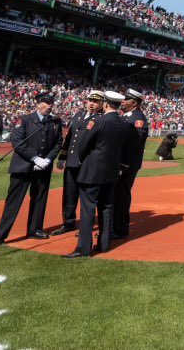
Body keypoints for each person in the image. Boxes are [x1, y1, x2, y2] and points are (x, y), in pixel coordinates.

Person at [0, 92, 63, 248]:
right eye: (47, 102)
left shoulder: (56, 122)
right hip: (23, 167)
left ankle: (35, 229)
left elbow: (58, 143)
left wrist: (48, 160)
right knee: (13, 202)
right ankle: (0, 235)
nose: (50, 105)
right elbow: (17, 141)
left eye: (52, 103)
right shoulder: (25, 120)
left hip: (43, 168)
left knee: (39, 199)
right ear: (38, 104)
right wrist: (35, 158)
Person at [66, 91, 128, 258]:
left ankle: (84, 248)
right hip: (112, 172)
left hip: (92, 171)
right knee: (107, 207)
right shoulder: (123, 123)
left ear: (106, 104)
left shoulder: (97, 121)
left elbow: (83, 145)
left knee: (88, 209)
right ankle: (104, 244)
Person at [51, 91, 105, 236]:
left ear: (102, 104)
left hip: (87, 163)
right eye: (90, 100)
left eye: (96, 101)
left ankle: (85, 226)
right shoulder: (78, 115)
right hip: (72, 161)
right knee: (69, 194)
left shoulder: (101, 118)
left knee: (86, 197)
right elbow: (69, 138)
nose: (92, 103)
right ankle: (68, 223)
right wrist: (62, 157)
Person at [114, 89, 149, 240]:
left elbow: (135, 142)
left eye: (126, 99)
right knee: (116, 195)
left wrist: (124, 164)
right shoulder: (127, 116)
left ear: (134, 103)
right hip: (121, 163)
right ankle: (114, 226)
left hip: (126, 165)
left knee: (121, 195)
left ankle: (120, 229)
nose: (122, 102)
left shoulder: (137, 118)